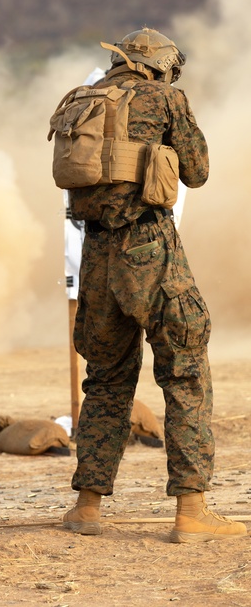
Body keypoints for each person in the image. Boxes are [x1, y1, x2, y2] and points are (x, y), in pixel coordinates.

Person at [61, 28, 246, 543]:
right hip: (148, 249)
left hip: (95, 253)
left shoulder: (81, 101)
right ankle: (191, 510)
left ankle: (87, 506)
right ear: (160, 66)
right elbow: (198, 171)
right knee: (185, 371)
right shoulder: (165, 98)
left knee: (105, 380)